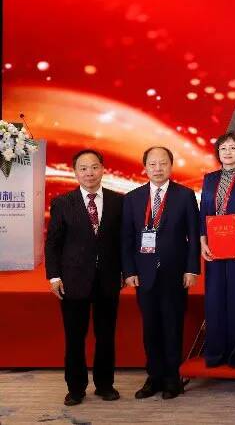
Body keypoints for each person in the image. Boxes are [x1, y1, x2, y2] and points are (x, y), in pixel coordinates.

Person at [45, 149, 123, 406]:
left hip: (108, 280)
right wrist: (54, 277)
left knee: (106, 336)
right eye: (83, 168)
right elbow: (53, 243)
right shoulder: (62, 203)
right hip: (73, 281)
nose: (89, 173)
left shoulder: (118, 201)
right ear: (75, 172)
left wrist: (126, 271)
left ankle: (105, 385)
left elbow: (123, 241)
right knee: (74, 338)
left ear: (103, 169)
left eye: (94, 167)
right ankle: (76, 388)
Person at [122, 146, 200, 400]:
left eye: (163, 163)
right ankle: (153, 377)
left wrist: (192, 268)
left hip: (175, 272)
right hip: (143, 274)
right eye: (153, 164)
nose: (158, 169)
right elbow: (127, 238)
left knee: (172, 325)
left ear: (171, 166)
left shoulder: (185, 195)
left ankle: (172, 378)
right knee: (151, 327)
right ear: (145, 167)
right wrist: (129, 270)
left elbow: (194, 236)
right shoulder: (132, 198)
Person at [198, 133, 235, 368]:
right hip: (213, 246)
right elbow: (204, 212)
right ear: (218, 153)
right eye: (223, 148)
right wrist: (202, 240)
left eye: (232, 148)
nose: (228, 152)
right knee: (214, 299)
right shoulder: (209, 179)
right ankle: (215, 352)